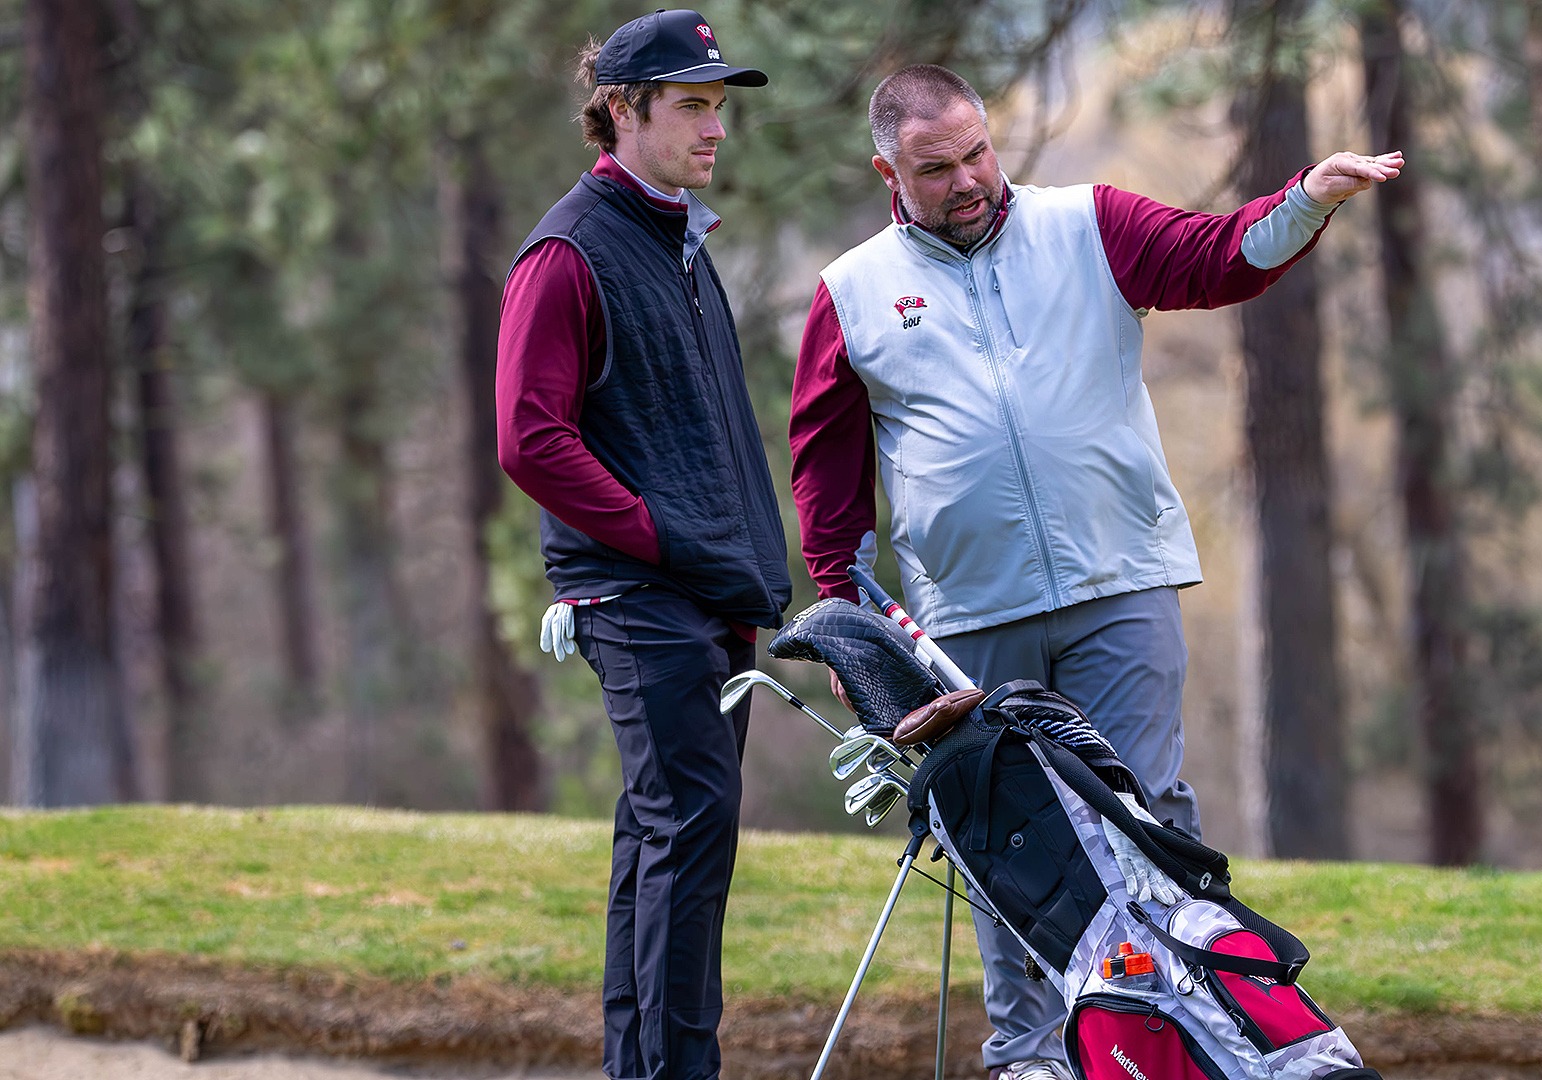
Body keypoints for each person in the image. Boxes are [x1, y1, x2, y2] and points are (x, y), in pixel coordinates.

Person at [788, 64, 1399, 1080]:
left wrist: (1309, 199)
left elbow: (1222, 258)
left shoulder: (1088, 225)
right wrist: (860, 632)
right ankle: (1033, 1057)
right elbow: (828, 480)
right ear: (888, 169)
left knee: (1146, 815)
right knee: (1005, 840)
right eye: (936, 168)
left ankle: (1198, 1032)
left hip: (1120, 583)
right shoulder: (850, 292)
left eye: (978, 152)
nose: (969, 180)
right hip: (965, 619)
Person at [494, 12, 789, 1080]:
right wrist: (657, 537)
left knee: (663, 837)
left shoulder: (678, 238)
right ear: (622, 109)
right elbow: (530, 440)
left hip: (708, 596)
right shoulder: (568, 253)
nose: (717, 128)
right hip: (638, 596)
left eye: (721, 106)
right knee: (689, 836)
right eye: (693, 105)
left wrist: (747, 572)